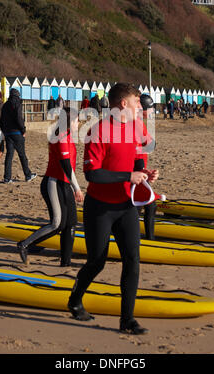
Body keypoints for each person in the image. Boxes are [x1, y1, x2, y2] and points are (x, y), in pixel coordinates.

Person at [68, 83, 159, 335]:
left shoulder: (136, 127)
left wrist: (144, 173)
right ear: (123, 104)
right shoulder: (98, 131)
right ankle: (75, 299)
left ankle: (126, 320)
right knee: (97, 262)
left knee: (132, 260)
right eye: (137, 102)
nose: (140, 106)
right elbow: (92, 174)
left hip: (126, 206)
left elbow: (138, 155)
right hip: (100, 207)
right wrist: (127, 176)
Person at [17, 107, 83, 265]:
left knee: (71, 223)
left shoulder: (67, 135)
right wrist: (77, 188)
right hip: (53, 183)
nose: (79, 123)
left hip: (65, 183)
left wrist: (72, 185)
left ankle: (65, 262)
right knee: (57, 223)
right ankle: (25, 244)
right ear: (69, 122)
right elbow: (66, 166)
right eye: (76, 120)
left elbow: (70, 168)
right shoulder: (60, 137)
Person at [0, 88, 36, 184]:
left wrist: (4, 131)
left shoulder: (5, 105)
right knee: (22, 155)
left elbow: (1, 121)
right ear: (17, 95)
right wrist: (23, 129)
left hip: (8, 133)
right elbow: (19, 118)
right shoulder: (17, 104)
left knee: (9, 155)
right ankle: (28, 175)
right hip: (17, 133)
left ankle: (7, 178)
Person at [138, 94, 157, 240]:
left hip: (140, 168)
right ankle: (150, 240)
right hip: (136, 170)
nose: (152, 111)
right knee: (150, 206)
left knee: (140, 206)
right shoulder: (138, 123)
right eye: (150, 108)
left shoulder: (138, 122)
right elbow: (151, 145)